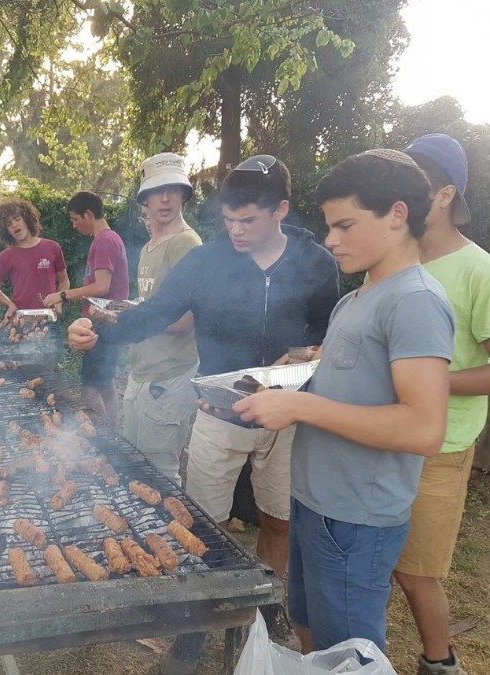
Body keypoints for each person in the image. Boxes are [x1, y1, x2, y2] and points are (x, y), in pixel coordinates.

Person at [68, 156, 338, 584]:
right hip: (219, 412)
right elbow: (154, 313)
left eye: (247, 221)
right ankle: (193, 627)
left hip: (287, 413)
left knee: (278, 519)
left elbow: (326, 331)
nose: (236, 231)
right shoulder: (206, 261)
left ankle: (267, 603)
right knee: (202, 522)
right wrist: (97, 332)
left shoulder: (317, 264)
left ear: (281, 210)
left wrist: (310, 352)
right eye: (229, 219)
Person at [234, 149, 455, 654]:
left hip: (357, 517)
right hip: (315, 501)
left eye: (345, 225)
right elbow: (337, 389)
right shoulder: (355, 299)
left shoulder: (414, 300)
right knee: (316, 635)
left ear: (397, 215)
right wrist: (263, 397)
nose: (331, 240)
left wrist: (300, 409)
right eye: (329, 226)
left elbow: (424, 429)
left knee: (351, 654)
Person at [393, 134, 489, 675]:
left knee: (418, 572)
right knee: (376, 560)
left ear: (446, 193)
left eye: (416, 185)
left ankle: (441, 662)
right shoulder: (393, 258)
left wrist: (429, 382)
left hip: (441, 444)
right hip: (383, 433)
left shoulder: (478, 270)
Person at [122, 152, 202, 481]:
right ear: (145, 199)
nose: (165, 198)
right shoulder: (149, 247)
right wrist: (132, 311)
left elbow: (189, 320)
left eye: (172, 189)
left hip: (169, 377)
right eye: (156, 191)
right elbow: (151, 302)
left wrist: (134, 319)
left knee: (161, 473)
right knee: (134, 463)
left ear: (183, 193)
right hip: (141, 372)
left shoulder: (186, 244)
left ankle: (166, 532)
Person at [44, 191, 129, 426]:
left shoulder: (104, 241)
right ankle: (112, 430)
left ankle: (103, 437)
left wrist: (62, 294)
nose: (73, 225)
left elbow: (101, 287)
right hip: (110, 324)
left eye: (74, 218)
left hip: (102, 325)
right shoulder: (110, 239)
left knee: (89, 389)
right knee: (105, 383)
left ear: (88, 214)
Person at [0, 197, 69, 319]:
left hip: (49, 318)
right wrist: (9, 304)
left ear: (27, 219)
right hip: (21, 320)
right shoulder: (6, 256)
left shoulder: (52, 247)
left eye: (17, 219)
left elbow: (64, 281)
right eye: (9, 224)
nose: (14, 225)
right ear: (6, 231)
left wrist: (58, 301)